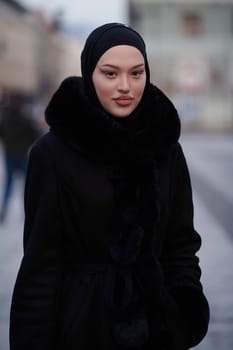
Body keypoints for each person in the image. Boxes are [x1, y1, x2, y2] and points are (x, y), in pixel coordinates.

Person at [9, 23, 209, 350]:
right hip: (81, 327)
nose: (126, 86)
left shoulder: (165, 147)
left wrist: (184, 311)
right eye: (111, 74)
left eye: (137, 73)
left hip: (155, 327)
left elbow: (181, 243)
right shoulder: (53, 153)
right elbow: (41, 265)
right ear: (90, 74)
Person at [0, 93, 40, 223]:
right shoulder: (26, 119)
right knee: (27, 186)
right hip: (22, 156)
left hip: (10, 155)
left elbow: (2, 135)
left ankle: (5, 209)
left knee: (9, 185)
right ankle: (29, 211)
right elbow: (35, 136)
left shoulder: (5, 119)